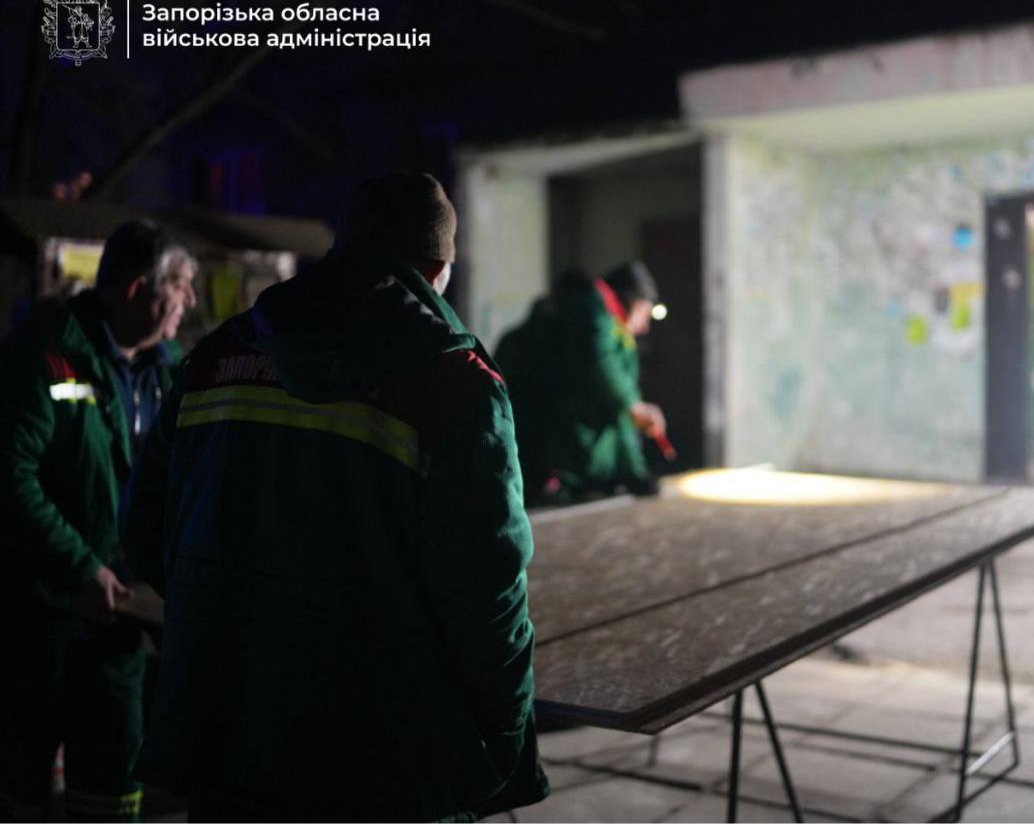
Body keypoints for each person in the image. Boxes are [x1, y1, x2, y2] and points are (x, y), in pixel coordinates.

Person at [119, 172, 548, 821]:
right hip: (383, 756)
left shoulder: (215, 358)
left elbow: (144, 530)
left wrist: (236, 625)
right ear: (438, 269)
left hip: (228, 736)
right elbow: (486, 593)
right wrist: (507, 735)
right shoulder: (456, 386)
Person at [0, 221, 197, 822]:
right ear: (138, 289)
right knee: (19, 790)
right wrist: (80, 568)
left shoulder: (169, 374)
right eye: (181, 285)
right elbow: (10, 475)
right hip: (38, 623)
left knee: (112, 790)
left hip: (121, 627)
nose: (191, 301)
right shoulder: (46, 357)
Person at [495, 261, 667, 503]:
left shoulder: (607, 332)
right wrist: (634, 406)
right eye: (645, 313)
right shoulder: (594, 315)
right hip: (552, 462)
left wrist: (636, 472)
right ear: (629, 301)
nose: (645, 327)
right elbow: (604, 366)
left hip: (549, 464)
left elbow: (618, 408)